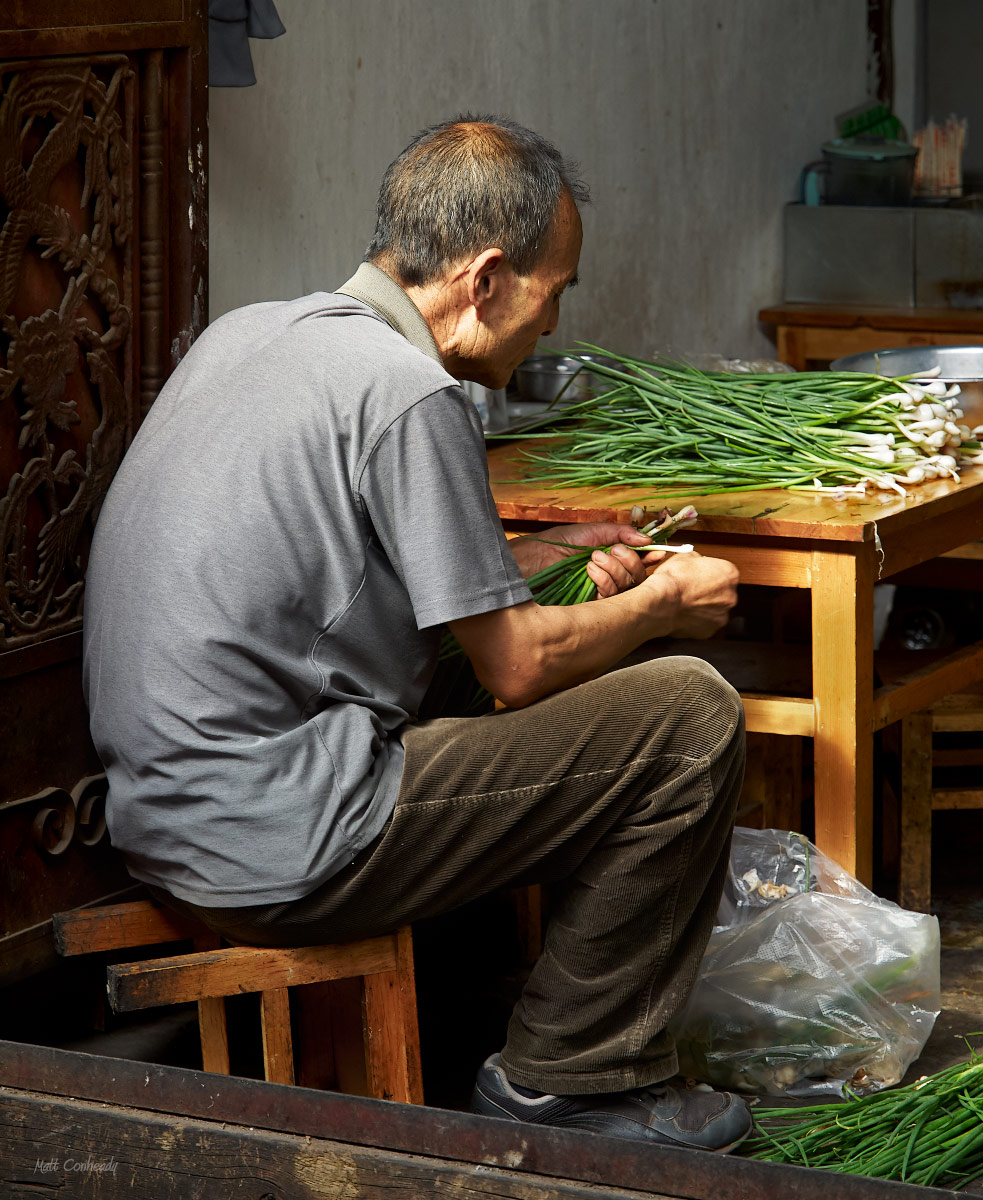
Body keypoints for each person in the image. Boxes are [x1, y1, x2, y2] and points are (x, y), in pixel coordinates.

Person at [82, 114, 749, 1150]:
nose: (551, 328)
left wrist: (535, 562)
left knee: (488, 676)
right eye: (552, 293)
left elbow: (345, 574)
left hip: (161, 817)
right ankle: (570, 1080)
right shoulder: (410, 395)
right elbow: (519, 668)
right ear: (484, 281)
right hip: (275, 839)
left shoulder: (253, 334)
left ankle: (488, 1008)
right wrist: (664, 604)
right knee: (688, 715)